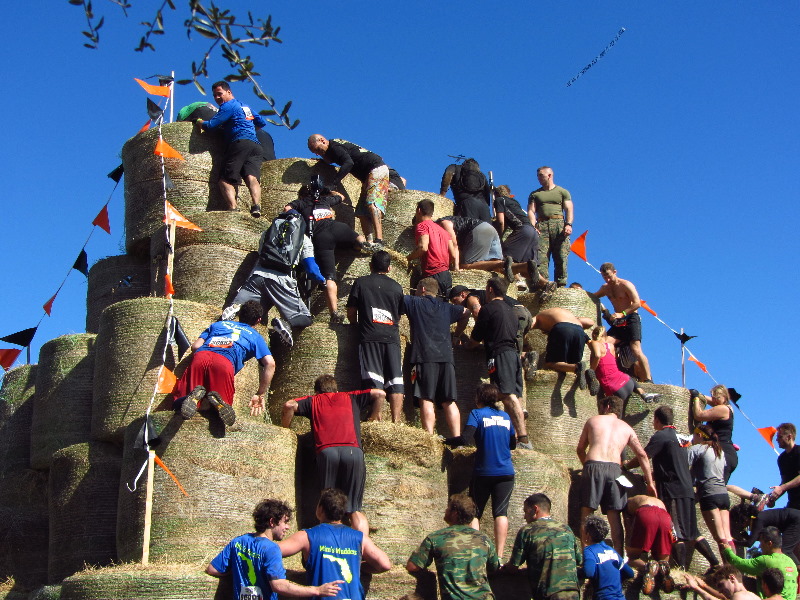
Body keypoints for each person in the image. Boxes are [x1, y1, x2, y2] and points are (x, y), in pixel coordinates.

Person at [280, 374, 385, 536]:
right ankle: (362, 548)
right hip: (353, 452)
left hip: (327, 452)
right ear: (336, 389)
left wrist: (285, 429)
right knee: (354, 509)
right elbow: (380, 394)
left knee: (328, 505)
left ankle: (328, 544)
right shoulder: (351, 397)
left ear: (317, 391)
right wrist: (373, 418)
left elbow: (289, 405)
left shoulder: (314, 400)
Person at [625, 405, 720, 571]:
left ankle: (680, 569)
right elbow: (672, 464)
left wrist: (626, 466)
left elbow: (644, 455)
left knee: (675, 530)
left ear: (656, 420)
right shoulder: (681, 438)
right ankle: (715, 562)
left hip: (673, 490)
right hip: (687, 489)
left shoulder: (661, 436)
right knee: (692, 531)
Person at [206, 498, 343, 599]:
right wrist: (317, 590)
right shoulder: (271, 549)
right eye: (285, 522)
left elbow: (212, 569)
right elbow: (279, 586)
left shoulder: (238, 542)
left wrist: (238, 571)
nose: (288, 527)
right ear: (272, 522)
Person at [172, 300, 274, 427]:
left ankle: (194, 397)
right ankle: (217, 404)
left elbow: (195, 346)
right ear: (258, 320)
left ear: (239, 315)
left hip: (202, 356)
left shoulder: (218, 325)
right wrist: (260, 393)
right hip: (224, 364)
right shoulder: (255, 336)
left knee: (179, 405)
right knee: (221, 416)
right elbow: (270, 364)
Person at [576, 395, 656, 555]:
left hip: (593, 465)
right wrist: (650, 482)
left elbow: (580, 449)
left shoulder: (593, 420)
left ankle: (586, 556)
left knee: (587, 512)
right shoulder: (627, 428)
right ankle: (618, 558)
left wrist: (587, 467)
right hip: (615, 470)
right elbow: (642, 455)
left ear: (606, 407)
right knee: (614, 517)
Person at [444, 383, 516, 559]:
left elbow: (466, 439)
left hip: (484, 472)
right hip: (506, 473)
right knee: (500, 513)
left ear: (479, 398)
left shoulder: (477, 414)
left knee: (475, 512)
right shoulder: (506, 417)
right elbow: (513, 444)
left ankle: (474, 553)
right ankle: (499, 556)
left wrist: (444, 440)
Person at [279, 488, 392, 600]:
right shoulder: (359, 538)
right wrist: (357, 565)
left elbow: (272, 550)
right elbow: (385, 564)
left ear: (320, 509)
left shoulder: (307, 536)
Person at [223, 226, 322, 347]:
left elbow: (260, 253)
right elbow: (311, 268)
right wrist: (323, 280)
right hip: (281, 281)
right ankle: (287, 324)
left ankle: (238, 307)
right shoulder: (303, 238)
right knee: (306, 318)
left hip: (257, 276)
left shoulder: (268, 232)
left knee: (251, 315)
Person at [285, 181, 367, 324]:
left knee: (329, 276)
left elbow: (287, 208)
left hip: (322, 238)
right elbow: (341, 196)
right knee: (355, 236)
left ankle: (334, 312)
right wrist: (327, 191)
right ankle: (362, 244)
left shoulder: (301, 202)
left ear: (302, 195)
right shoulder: (324, 200)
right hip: (337, 227)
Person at [469, 277, 530, 449]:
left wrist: (466, 345)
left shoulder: (488, 309)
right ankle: (516, 438)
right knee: (515, 396)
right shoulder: (511, 310)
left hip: (500, 354)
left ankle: (523, 438)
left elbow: (476, 337)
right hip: (513, 354)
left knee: (506, 395)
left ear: (489, 290)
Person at [403, 277, 468, 437]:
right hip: (446, 357)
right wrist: (457, 334)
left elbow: (394, 298)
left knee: (426, 398)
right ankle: (456, 438)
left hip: (424, 357)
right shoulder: (447, 307)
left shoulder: (414, 302)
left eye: (417, 288)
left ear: (423, 289)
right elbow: (466, 312)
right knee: (449, 400)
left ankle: (429, 438)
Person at [346, 250, 405, 423]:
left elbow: (351, 311)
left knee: (373, 378)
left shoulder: (361, 283)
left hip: (370, 336)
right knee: (396, 380)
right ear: (389, 268)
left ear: (370, 266)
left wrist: (354, 325)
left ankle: (375, 418)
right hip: (392, 338)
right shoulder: (397, 287)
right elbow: (399, 315)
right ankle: (396, 421)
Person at [196, 81, 269, 216]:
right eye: (214, 96)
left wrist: (199, 121)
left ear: (229, 92)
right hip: (255, 146)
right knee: (252, 177)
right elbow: (261, 122)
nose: (217, 98)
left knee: (224, 179)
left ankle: (233, 209)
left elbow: (211, 126)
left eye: (219, 94)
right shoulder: (245, 106)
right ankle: (256, 206)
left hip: (239, 143)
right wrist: (249, 129)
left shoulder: (228, 106)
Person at [406, 494, 499, 600]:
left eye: (448, 508)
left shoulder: (436, 538)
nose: (445, 511)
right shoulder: (484, 539)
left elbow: (412, 566)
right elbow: (494, 567)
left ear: (455, 513)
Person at [307, 135, 389, 247]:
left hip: (376, 169)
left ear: (323, 141)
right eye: (314, 152)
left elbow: (348, 163)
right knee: (361, 212)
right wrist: (321, 161)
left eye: (317, 149)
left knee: (372, 204)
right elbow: (331, 160)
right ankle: (369, 243)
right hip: (367, 177)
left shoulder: (335, 146)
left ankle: (379, 240)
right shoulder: (333, 149)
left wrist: (333, 183)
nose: (317, 153)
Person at [505, 493, 582, 600]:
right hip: (572, 592)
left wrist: (500, 568)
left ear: (535, 509)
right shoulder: (566, 529)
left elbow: (513, 567)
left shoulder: (528, 531)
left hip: (549, 593)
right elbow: (578, 560)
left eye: (525, 511)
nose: (524, 516)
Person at [590, 262, 653, 383]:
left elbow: (637, 303)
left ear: (615, 272)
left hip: (630, 318)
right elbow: (594, 296)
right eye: (604, 277)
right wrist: (579, 293)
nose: (607, 279)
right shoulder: (605, 288)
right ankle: (609, 372)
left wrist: (622, 313)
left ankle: (648, 379)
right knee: (604, 343)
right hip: (618, 322)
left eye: (609, 276)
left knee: (636, 350)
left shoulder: (626, 285)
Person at [493, 184, 554, 294]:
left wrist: (499, 236)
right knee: (526, 266)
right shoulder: (515, 202)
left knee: (504, 256)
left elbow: (501, 221)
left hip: (523, 230)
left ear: (496, 194)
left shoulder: (499, 200)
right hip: (533, 233)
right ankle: (546, 283)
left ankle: (518, 280)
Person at [585, 326, 660, 403]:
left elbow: (597, 355)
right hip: (628, 383)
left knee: (612, 410)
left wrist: (592, 371)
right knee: (627, 377)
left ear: (594, 335)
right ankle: (643, 393)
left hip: (614, 388)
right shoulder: (610, 346)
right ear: (605, 335)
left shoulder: (595, 343)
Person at [721, 526, 798, 600]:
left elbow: (739, 564)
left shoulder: (767, 560)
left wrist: (727, 550)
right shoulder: (791, 562)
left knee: (739, 580)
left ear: (769, 544)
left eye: (761, 543)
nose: (760, 546)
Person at [527, 166, 573, 287]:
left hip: (558, 224)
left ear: (549, 175)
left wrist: (568, 224)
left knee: (561, 256)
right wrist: (533, 226)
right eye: (538, 176)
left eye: (541, 175)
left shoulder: (562, 192)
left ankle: (561, 285)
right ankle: (545, 284)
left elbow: (569, 208)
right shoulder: (535, 194)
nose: (539, 178)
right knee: (541, 257)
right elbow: (531, 211)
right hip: (541, 225)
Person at [689, 423, 732, 548]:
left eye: (694, 437)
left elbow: (679, 461)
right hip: (723, 494)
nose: (693, 440)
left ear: (700, 435)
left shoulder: (699, 449)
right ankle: (733, 566)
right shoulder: (719, 451)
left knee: (720, 538)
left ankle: (728, 567)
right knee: (727, 536)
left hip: (709, 494)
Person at [528, 307, 594, 387]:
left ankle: (576, 367)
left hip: (561, 328)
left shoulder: (537, 317)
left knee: (550, 364)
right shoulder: (567, 315)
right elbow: (591, 322)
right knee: (568, 365)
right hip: (580, 332)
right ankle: (586, 373)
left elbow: (527, 325)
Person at [407, 198, 457, 300]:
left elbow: (423, 247)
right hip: (446, 276)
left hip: (433, 275)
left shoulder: (422, 226)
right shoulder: (443, 231)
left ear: (419, 211)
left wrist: (408, 258)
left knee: (429, 310)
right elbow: (453, 255)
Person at [624, 495, 674, 590]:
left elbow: (628, 528)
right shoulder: (659, 501)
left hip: (646, 514)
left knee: (632, 557)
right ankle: (663, 568)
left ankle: (648, 566)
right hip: (666, 518)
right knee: (662, 559)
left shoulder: (628, 502)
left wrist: (630, 547)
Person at [580, 515, 635, 600]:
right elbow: (630, 573)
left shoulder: (590, 550)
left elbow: (589, 572)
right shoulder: (611, 551)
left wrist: (575, 572)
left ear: (588, 535)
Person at [691, 385, 738, 482]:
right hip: (722, 453)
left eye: (718, 397)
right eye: (713, 397)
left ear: (725, 397)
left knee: (713, 485)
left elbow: (698, 415)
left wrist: (695, 398)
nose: (715, 400)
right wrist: (700, 395)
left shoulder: (723, 409)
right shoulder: (726, 407)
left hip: (723, 453)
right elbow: (712, 401)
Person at [439, 158, 492, 223]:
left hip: (467, 204)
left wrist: (442, 194)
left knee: (469, 229)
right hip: (484, 206)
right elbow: (487, 193)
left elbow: (448, 174)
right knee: (487, 230)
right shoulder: (482, 175)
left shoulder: (455, 167)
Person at [437, 215, 502, 267]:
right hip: (490, 228)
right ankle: (507, 264)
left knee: (467, 265)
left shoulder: (443, 223)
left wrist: (456, 267)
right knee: (497, 264)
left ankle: (502, 264)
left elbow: (454, 245)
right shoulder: (452, 219)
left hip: (479, 230)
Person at [768, 423, 800, 509]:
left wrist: (782, 488)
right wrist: (773, 498)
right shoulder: (782, 459)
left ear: (789, 437)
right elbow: (784, 482)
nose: (777, 440)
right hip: (793, 504)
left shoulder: (798, 452)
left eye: (780, 437)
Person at [683, 566, 760, 600]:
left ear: (732, 578)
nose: (720, 591)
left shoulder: (738, 597)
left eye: (721, 585)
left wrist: (696, 587)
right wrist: (697, 587)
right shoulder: (754, 596)